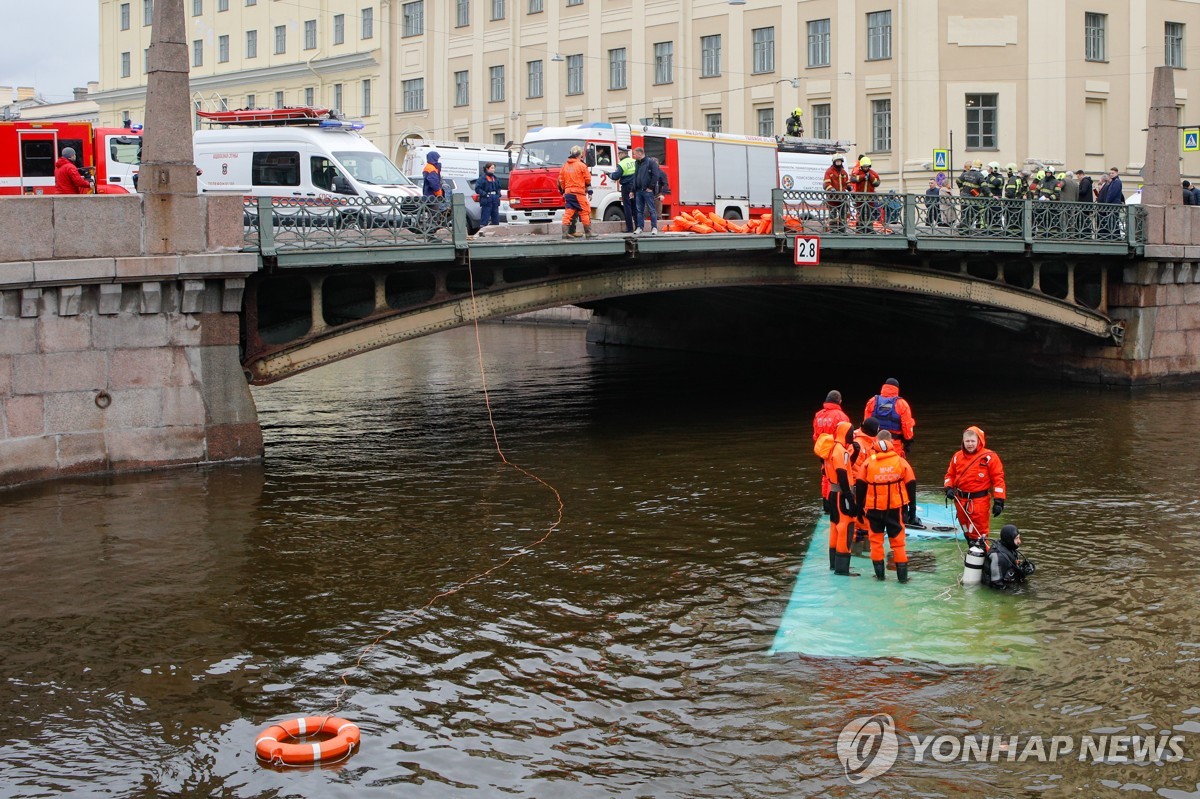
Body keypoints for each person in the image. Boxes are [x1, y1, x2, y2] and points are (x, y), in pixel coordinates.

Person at [854, 430, 917, 582]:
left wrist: (859, 509)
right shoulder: (900, 461)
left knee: (876, 542)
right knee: (898, 543)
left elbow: (860, 486)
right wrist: (911, 509)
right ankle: (902, 578)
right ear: (891, 444)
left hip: (874, 509)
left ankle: (880, 576)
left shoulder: (868, 463)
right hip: (895, 509)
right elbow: (911, 484)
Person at [943, 425, 1006, 546]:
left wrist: (999, 501)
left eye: (973, 441)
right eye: (967, 441)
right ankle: (972, 551)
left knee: (979, 534)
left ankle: (982, 557)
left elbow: (998, 479)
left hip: (979, 502)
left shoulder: (990, 457)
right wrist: (948, 488)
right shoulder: (957, 456)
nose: (970, 444)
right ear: (963, 441)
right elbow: (949, 475)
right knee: (966, 529)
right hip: (960, 500)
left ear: (979, 441)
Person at [817, 421, 859, 576]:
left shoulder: (831, 450)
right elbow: (842, 474)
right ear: (845, 432)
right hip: (842, 494)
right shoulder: (840, 451)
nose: (853, 434)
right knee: (845, 528)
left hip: (833, 493)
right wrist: (850, 498)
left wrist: (854, 454)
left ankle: (834, 564)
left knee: (835, 527)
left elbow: (836, 470)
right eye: (851, 431)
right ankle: (842, 569)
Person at [813, 390, 851, 507]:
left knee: (825, 477)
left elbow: (815, 435)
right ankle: (834, 504)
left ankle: (825, 502)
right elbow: (846, 436)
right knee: (835, 479)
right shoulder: (841, 416)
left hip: (822, 452)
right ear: (839, 401)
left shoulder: (818, 415)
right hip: (836, 452)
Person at [863, 378, 915, 458]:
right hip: (894, 445)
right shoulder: (902, 404)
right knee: (894, 466)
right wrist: (908, 441)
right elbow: (907, 425)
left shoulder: (872, 401)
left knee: (874, 465)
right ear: (897, 389)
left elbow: (866, 423)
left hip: (876, 443)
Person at [981, 524, 1035, 589]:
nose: (1019, 541)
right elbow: (996, 583)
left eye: (1019, 537)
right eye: (1016, 538)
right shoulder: (999, 557)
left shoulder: (1008, 547)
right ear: (1009, 540)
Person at [631, 146, 669, 235]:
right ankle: (639, 227)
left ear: (640, 153)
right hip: (639, 190)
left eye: (634, 154)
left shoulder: (650, 163)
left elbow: (655, 176)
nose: (634, 156)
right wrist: (633, 190)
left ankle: (654, 228)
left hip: (647, 191)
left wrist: (650, 187)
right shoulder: (637, 163)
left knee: (652, 210)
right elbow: (635, 177)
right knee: (639, 210)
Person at [558, 145, 593, 239]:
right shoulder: (581, 165)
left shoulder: (565, 166)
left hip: (568, 193)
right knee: (584, 212)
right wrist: (588, 188)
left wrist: (564, 189)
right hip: (578, 193)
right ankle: (589, 234)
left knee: (568, 213)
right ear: (580, 155)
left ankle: (565, 234)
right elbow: (588, 179)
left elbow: (561, 180)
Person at [610, 148, 638, 234]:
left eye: (619, 154)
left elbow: (615, 176)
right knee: (636, 207)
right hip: (636, 186)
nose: (618, 156)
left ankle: (629, 228)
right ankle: (638, 227)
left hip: (626, 187)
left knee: (627, 207)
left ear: (622, 154)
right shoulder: (635, 161)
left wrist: (609, 174)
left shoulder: (621, 164)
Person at [848, 156, 880, 232]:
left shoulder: (873, 173)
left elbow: (877, 183)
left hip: (869, 198)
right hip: (859, 197)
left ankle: (869, 229)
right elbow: (853, 179)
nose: (865, 168)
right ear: (861, 166)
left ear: (869, 166)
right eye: (864, 167)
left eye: (867, 167)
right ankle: (860, 229)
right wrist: (863, 177)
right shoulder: (857, 172)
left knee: (869, 214)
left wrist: (870, 177)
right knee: (860, 213)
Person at [823, 155, 851, 233]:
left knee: (843, 215)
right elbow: (826, 183)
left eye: (839, 161)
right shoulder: (829, 171)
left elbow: (847, 182)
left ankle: (843, 230)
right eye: (837, 161)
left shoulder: (843, 172)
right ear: (834, 162)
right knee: (833, 215)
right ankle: (833, 230)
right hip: (832, 198)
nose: (838, 163)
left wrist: (849, 186)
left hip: (842, 198)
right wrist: (831, 188)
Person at [475, 162, 502, 234]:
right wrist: (485, 194)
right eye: (492, 168)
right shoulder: (482, 179)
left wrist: (498, 195)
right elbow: (477, 189)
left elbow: (499, 188)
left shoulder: (495, 178)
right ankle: (482, 232)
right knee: (485, 217)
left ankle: (496, 232)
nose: (493, 170)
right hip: (486, 200)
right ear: (487, 169)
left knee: (495, 217)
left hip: (495, 200)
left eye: (494, 168)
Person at [1097, 166, 1124, 238]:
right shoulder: (1113, 182)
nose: (1111, 174)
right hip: (1111, 204)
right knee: (1111, 221)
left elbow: (1113, 193)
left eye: (1113, 173)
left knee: (1113, 221)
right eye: (1110, 173)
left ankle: (1115, 237)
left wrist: (1107, 202)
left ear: (1117, 173)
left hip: (1114, 204)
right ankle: (1113, 236)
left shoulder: (1117, 182)